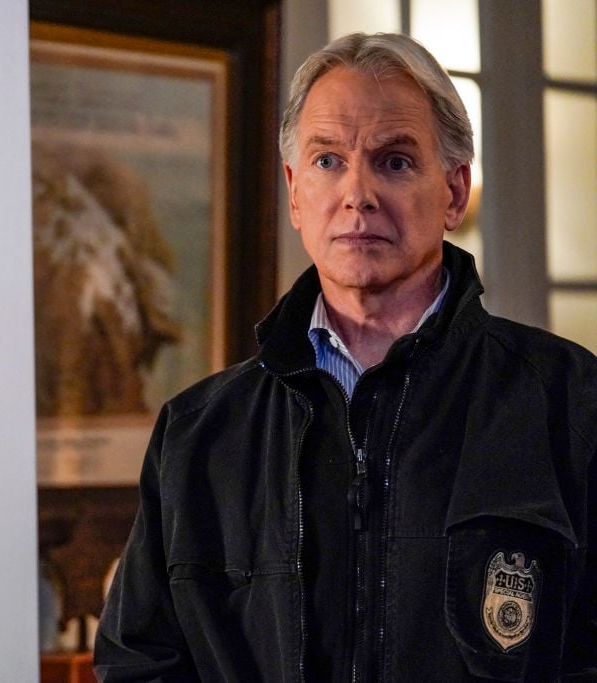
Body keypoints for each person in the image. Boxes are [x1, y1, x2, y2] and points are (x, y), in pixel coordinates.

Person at [93, 32, 597, 682]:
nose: (358, 193)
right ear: (294, 192)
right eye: (328, 160)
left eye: (395, 161)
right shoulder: (197, 435)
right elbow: (138, 664)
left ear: (453, 191)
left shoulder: (569, 401)